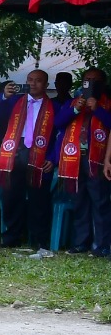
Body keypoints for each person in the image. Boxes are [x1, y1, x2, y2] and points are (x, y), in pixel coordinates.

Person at [0, 69, 59, 251]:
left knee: (39, 200)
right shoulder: (15, 101)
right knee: (11, 197)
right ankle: (12, 237)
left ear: (46, 85)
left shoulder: (54, 106)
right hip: (15, 153)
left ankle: (39, 240)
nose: (33, 83)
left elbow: (61, 134)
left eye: (38, 81)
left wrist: (53, 158)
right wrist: (4, 96)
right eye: (30, 80)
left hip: (40, 156)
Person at [56, 82, 110, 257]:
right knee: (79, 202)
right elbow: (58, 122)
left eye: (95, 80)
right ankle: (81, 243)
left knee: (99, 203)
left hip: (97, 160)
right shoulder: (73, 102)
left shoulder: (107, 103)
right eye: (87, 80)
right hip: (74, 158)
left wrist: (98, 109)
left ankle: (101, 245)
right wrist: (75, 110)